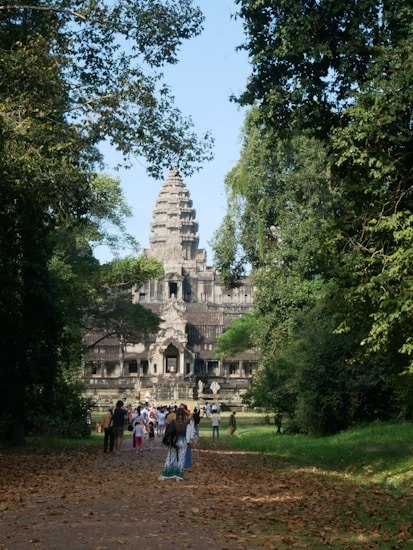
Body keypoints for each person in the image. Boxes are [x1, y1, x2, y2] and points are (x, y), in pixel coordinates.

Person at [159, 407, 188, 481]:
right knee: (181, 459)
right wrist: (184, 410)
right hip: (183, 441)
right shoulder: (186, 421)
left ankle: (166, 474)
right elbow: (191, 415)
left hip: (175, 441)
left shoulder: (174, 422)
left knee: (170, 457)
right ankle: (179, 476)